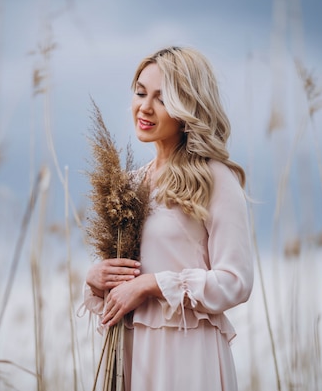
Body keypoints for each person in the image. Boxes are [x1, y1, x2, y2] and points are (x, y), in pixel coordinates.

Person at [82, 46, 254, 391]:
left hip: (188, 356)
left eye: (161, 98)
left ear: (187, 107)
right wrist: (96, 279)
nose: (144, 107)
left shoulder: (214, 178)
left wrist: (152, 284)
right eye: (140, 93)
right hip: (131, 355)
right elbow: (121, 287)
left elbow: (236, 281)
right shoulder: (127, 185)